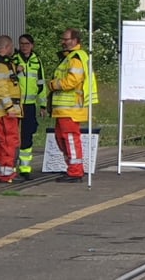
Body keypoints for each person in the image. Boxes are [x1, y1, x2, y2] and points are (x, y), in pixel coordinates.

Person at [48, 28, 99, 183]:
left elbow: (72, 81)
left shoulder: (75, 58)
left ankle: (75, 171)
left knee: (69, 139)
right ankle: (72, 167)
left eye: (66, 39)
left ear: (75, 40)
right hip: (64, 109)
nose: (63, 42)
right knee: (61, 138)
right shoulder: (71, 57)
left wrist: (53, 85)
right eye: (63, 39)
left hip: (70, 108)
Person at [0, 35, 23, 183]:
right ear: (7, 47)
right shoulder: (1, 65)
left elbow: (5, 80)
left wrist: (16, 71)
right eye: (12, 47)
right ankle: (7, 173)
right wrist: (10, 108)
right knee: (9, 142)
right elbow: (1, 88)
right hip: (4, 112)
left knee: (0, 142)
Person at [13, 34, 48, 181]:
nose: (24, 46)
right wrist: (16, 70)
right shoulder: (14, 60)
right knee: (13, 136)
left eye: (27, 44)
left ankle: (25, 168)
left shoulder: (37, 61)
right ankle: (11, 167)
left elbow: (41, 84)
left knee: (27, 136)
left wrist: (43, 105)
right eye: (21, 43)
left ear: (32, 45)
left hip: (30, 105)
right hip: (15, 105)